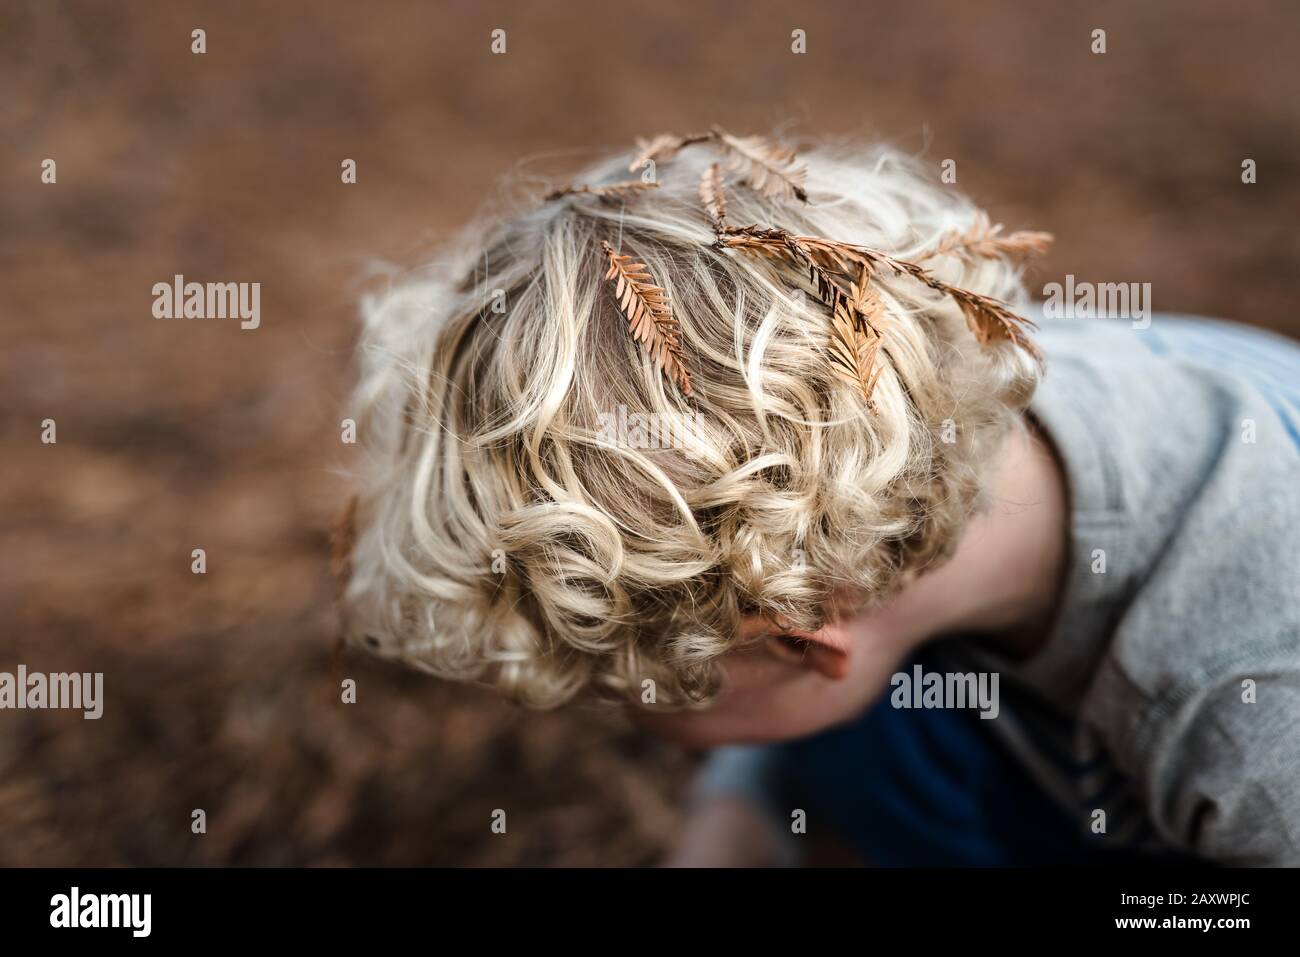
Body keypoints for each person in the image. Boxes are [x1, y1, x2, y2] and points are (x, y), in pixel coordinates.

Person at [339, 130, 1300, 866]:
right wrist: (736, 814)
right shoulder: (910, 381)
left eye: (626, 696)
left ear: (803, 636)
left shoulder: (1252, 711)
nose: (613, 712)